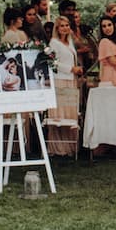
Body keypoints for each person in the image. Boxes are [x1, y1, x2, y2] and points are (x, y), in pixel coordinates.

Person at [45, 16, 82, 155]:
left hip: (71, 80)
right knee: (60, 113)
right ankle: (58, 147)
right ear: (57, 28)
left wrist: (76, 69)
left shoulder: (69, 42)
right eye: (62, 26)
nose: (65, 28)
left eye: (67, 25)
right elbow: (52, 62)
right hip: (60, 79)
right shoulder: (54, 43)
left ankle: (70, 146)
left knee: (70, 111)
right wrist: (70, 69)